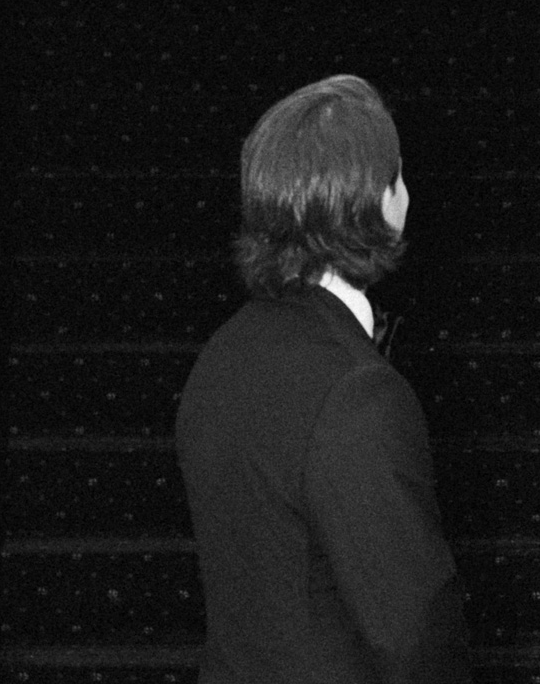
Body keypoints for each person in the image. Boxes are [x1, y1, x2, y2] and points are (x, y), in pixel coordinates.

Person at [175, 75, 471, 682]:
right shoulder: (358, 394)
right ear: (378, 199)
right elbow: (414, 637)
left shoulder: (225, 351)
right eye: (399, 174)